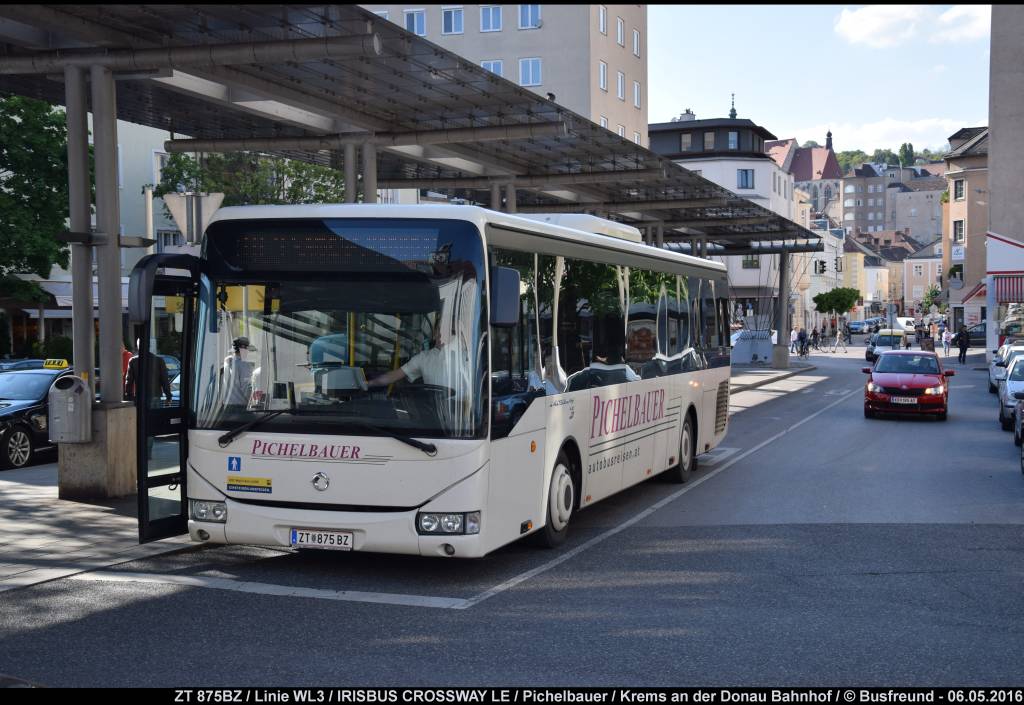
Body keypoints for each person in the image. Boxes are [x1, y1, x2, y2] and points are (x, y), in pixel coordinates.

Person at [222, 336, 256, 406]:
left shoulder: (227, 361)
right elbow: (246, 388)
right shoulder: (244, 365)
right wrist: (254, 402)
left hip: (226, 406)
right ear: (243, 350)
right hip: (240, 407)